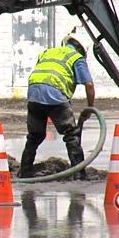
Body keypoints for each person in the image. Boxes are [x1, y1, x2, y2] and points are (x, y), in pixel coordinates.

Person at [17, 35, 95, 180]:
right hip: (54, 93)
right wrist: (90, 108)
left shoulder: (48, 52)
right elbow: (89, 85)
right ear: (83, 50)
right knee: (71, 134)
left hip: (34, 92)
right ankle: (79, 174)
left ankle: (25, 172)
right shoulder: (76, 57)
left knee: (35, 136)